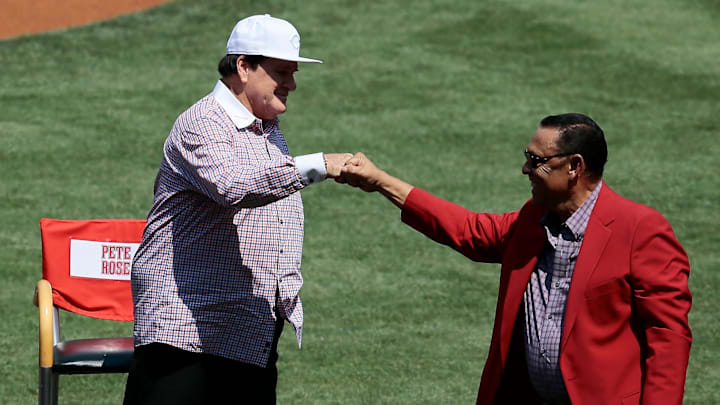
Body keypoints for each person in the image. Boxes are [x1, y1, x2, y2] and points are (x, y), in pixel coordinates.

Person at [338, 113, 692, 405]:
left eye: (536, 161)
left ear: (574, 167)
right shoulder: (531, 220)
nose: (525, 168)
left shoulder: (640, 230)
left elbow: (668, 337)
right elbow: (467, 230)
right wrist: (381, 181)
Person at [123, 14, 352, 404]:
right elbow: (233, 186)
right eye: (281, 72)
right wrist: (319, 165)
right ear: (243, 67)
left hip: (247, 333)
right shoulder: (203, 122)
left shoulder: (265, 126)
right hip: (186, 334)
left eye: (293, 73)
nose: (292, 84)